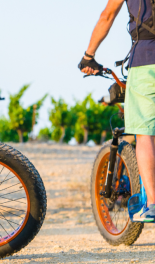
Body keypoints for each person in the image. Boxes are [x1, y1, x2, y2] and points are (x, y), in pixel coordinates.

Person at [78, 0, 155, 221]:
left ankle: (152, 204)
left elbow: (108, 15)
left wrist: (88, 56)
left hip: (146, 60)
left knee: (145, 135)